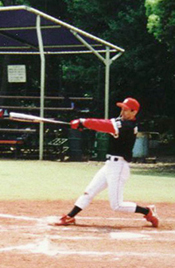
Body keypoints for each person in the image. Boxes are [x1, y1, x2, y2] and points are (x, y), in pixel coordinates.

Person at [52, 97, 159, 228]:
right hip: (109, 165)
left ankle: (147, 211)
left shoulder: (128, 126)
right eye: (122, 109)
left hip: (119, 167)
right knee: (89, 192)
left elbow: (104, 125)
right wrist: (83, 126)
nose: (123, 111)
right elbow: (104, 124)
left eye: (126, 110)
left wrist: (83, 121)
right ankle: (70, 217)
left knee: (117, 205)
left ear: (134, 112)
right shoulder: (121, 122)